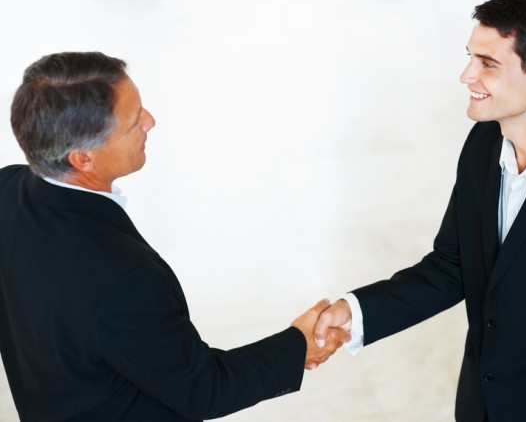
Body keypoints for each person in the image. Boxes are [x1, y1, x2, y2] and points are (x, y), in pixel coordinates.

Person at [314, 0, 526, 421]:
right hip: (478, 407)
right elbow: (452, 267)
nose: (466, 75)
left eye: (488, 63)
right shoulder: (483, 143)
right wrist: (354, 314)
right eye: (470, 57)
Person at [0, 51, 349, 422]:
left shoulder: (7, 188)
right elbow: (204, 390)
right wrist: (299, 345)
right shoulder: (123, 277)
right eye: (133, 122)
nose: (150, 122)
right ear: (83, 158)